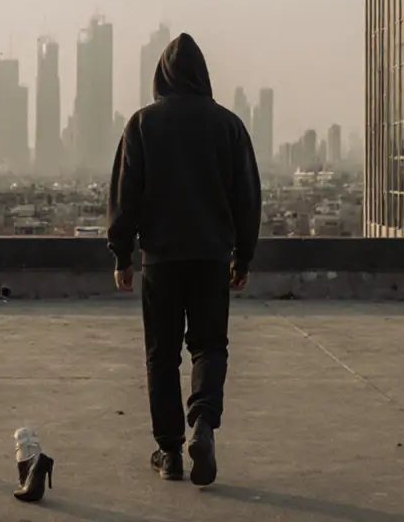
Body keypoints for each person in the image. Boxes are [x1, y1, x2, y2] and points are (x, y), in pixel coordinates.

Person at [107, 32, 262, 487]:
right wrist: (244, 256)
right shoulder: (228, 126)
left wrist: (122, 254)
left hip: (161, 260)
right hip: (212, 257)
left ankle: (170, 451)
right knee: (209, 346)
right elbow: (247, 197)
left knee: (162, 355)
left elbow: (124, 196)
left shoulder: (141, 124)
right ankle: (204, 425)